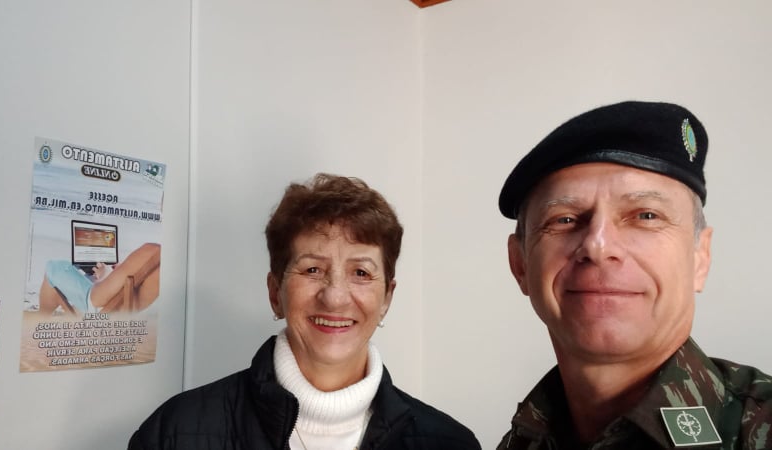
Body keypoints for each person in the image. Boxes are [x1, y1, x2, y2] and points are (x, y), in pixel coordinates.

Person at [128, 173, 481, 450]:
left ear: (387, 297)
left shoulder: (450, 443)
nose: (335, 297)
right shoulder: (172, 432)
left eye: (361, 273)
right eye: (312, 269)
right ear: (275, 293)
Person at [495, 101, 772, 449]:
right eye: (564, 219)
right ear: (519, 264)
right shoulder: (521, 441)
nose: (597, 246)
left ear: (700, 257)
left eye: (645, 216)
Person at [38, 242, 161, 315]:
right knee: (77, 272)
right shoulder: (167, 264)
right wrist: (116, 273)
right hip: (126, 313)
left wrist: (105, 276)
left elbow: (97, 300)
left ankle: (42, 317)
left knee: (54, 266)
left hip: (99, 308)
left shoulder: (153, 251)